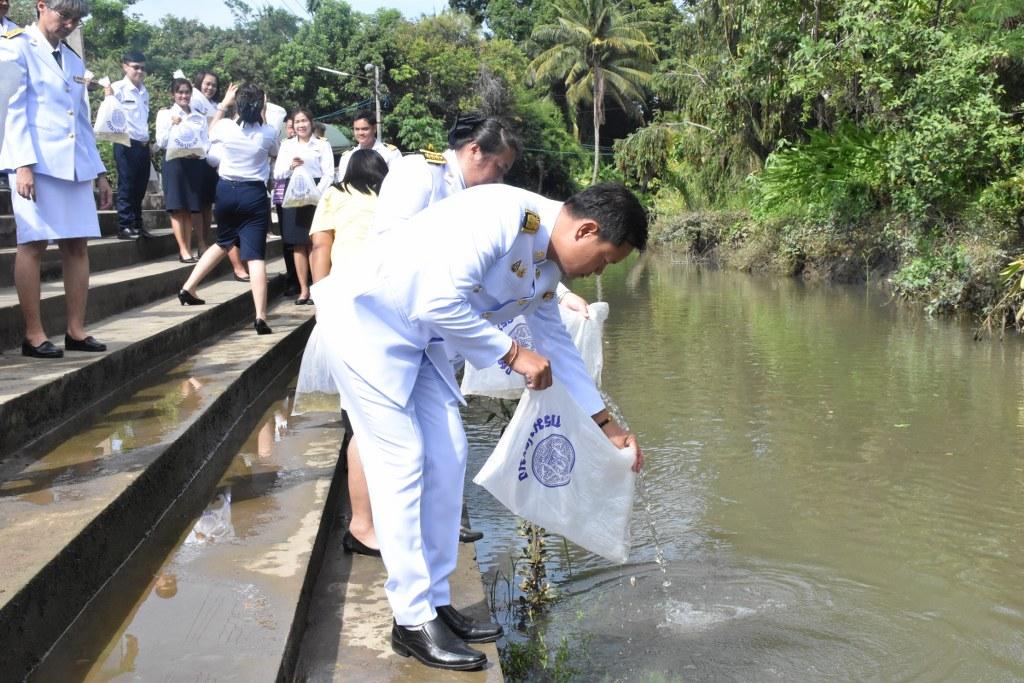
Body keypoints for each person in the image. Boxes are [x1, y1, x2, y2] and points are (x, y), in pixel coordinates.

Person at [311, 182, 647, 670]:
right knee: (402, 460)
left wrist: (607, 425)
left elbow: (555, 344)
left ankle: (437, 601)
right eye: (604, 259)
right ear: (587, 229)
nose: (599, 271)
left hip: (421, 340)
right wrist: (513, 353)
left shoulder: (547, 263)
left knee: (449, 451)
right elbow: (436, 301)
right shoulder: (502, 216)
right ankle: (410, 619)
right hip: (366, 321)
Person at [0, 0, 114, 359]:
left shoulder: (74, 59)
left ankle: (76, 330)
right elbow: (13, 110)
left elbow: (80, 117)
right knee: (33, 245)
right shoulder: (17, 46)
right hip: (36, 163)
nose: (69, 24)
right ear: (41, 6)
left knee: (77, 246)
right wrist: (21, 164)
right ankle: (34, 334)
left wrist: (99, 171)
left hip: (75, 165)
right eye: (63, 16)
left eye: (75, 19)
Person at [294, 148, 389, 557]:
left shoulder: (335, 194)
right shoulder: (390, 198)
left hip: (348, 306)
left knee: (360, 422)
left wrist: (321, 298)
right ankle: (367, 523)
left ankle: (363, 524)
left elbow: (320, 247)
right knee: (376, 419)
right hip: (386, 309)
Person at [177, 83, 280, 334]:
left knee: (223, 241)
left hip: (226, 191)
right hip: (253, 194)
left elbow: (210, 132)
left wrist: (224, 103)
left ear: (238, 104)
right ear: (261, 106)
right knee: (255, 255)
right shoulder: (268, 133)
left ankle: (188, 287)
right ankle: (260, 316)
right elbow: (274, 152)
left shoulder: (225, 127)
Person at [190, 69, 248, 279]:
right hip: (199, 158)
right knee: (198, 204)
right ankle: (201, 243)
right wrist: (224, 104)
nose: (210, 87)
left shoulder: (213, 105)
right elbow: (208, 130)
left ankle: (205, 241)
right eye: (207, 83)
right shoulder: (194, 98)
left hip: (215, 164)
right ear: (198, 83)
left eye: (213, 84)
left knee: (207, 204)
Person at [272, 108, 333, 304]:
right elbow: (278, 174)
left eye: (304, 121)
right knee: (298, 244)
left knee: (316, 243)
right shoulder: (286, 146)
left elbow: (329, 174)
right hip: (295, 195)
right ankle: (303, 289)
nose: (301, 125)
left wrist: (316, 193)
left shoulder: (322, 145)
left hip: (316, 195)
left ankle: (317, 287)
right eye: (297, 122)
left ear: (311, 122)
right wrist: (291, 166)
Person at [154, 78, 205, 263]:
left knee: (190, 208)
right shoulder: (165, 114)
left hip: (193, 164)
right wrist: (172, 125)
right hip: (174, 163)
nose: (183, 96)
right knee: (177, 208)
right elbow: (161, 142)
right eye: (180, 92)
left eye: (186, 92)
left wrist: (198, 153)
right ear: (173, 94)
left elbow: (204, 141)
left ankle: (191, 245)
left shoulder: (198, 116)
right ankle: (183, 250)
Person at [106, 50, 151, 241]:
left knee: (140, 187)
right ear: (125, 67)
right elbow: (109, 113)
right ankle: (124, 225)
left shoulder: (144, 91)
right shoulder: (117, 88)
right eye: (135, 67)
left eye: (142, 68)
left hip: (142, 144)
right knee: (127, 185)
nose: (139, 71)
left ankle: (137, 224)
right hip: (125, 142)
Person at [335, 109, 401, 180]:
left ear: (374, 128)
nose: (360, 133)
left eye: (365, 129)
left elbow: (397, 181)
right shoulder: (347, 156)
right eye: (357, 129)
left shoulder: (390, 153)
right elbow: (342, 182)